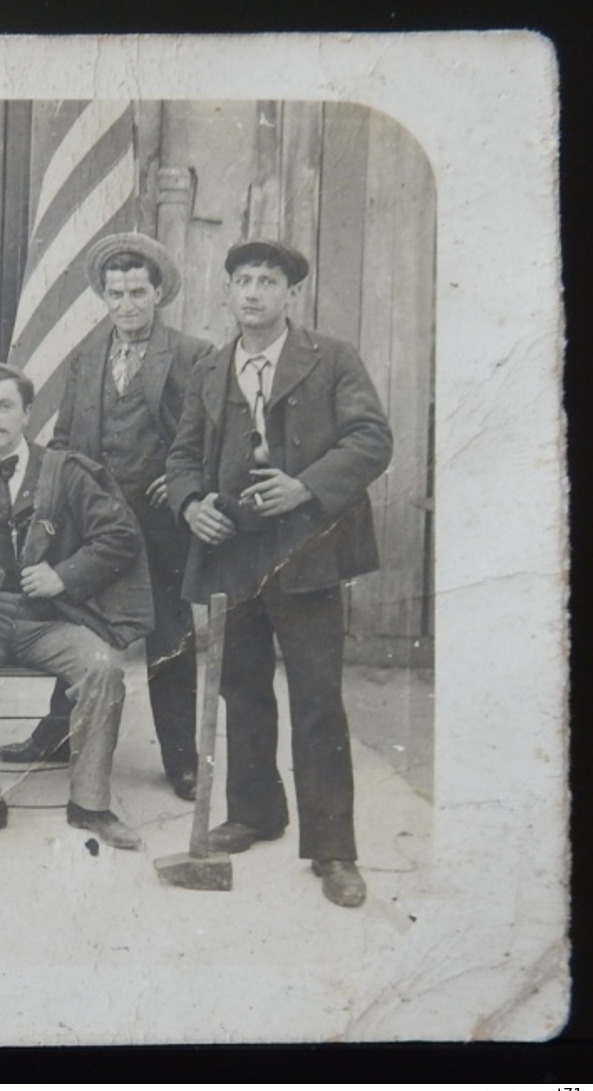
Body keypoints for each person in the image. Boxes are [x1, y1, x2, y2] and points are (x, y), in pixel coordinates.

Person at [165, 240, 393, 908]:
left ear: (289, 294)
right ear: (228, 292)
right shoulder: (210, 368)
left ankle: (332, 847)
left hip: (306, 552)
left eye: (266, 281)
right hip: (232, 554)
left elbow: (371, 439)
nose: (252, 292)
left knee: (317, 697)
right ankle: (255, 810)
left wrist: (306, 488)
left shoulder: (331, 359)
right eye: (241, 280)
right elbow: (181, 456)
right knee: (240, 686)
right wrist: (190, 503)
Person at [4, 233, 213, 803]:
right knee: (74, 621)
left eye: (137, 293)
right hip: (97, 519)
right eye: (116, 293)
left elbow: (210, 434)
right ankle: (54, 740)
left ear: (158, 294)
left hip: (161, 519)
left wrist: (187, 478)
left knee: (168, 635)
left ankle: (182, 762)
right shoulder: (87, 358)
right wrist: (64, 497)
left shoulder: (192, 355)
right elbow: (67, 438)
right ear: (103, 296)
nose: (126, 305)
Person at [0, 363, 153, 850]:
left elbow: (120, 535)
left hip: (51, 620)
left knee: (103, 668)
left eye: (4, 407)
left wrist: (64, 575)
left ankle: (91, 805)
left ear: (26, 412)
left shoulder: (64, 471)